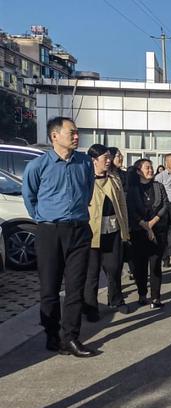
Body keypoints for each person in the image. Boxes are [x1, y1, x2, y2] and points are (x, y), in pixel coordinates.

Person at [22, 117, 97, 358]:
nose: (77, 136)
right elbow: (29, 196)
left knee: (76, 287)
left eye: (77, 132)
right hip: (50, 231)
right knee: (50, 288)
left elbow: (87, 192)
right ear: (55, 136)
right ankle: (52, 334)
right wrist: (44, 218)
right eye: (71, 132)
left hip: (79, 230)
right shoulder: (38, 166)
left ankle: (71, 337)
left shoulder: (85, 163)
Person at [84, 144, 131, 321]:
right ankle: (90, 307)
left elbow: (122, 206)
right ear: (94, 161)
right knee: (92, 273)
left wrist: (125, 231)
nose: (109, 161)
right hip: (92, 232)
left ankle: (116, 299)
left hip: (113, 229)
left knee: (114, 268)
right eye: (105, 158)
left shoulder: (114, 178)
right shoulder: (85, 179)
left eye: (109, 157)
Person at [127, 159, 169, 309]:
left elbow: (165, 204)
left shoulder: (159, 186)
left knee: (155, 265)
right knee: (140, 265)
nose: (151, 170)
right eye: (147, 168)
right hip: (139, 232)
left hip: (158, 230)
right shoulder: (133, 189)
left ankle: (156, 298)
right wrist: (144, 225)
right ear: (139, 171)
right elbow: (130, 209)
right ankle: (142, 294)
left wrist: (152, 223)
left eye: (151, 167)